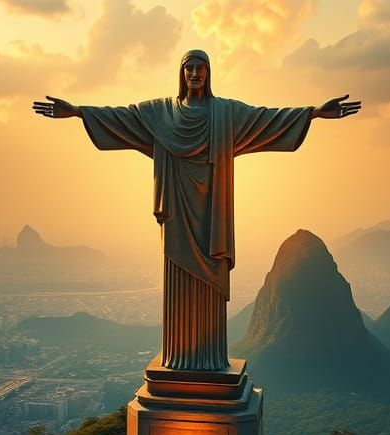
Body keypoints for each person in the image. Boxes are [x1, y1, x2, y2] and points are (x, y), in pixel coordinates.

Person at [33, 49, 360, 371]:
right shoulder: (161, 113)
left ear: (208, 73)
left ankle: (208, 360)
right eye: (189, 69)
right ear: (181, 74)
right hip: (177, 210)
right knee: (179, 277)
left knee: (209, 279)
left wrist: (314, 112)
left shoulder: (226, 113)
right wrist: (77, 111)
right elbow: (122, 116)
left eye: (200, 68)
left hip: (212, 214)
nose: (194, 74)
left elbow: (266, 118)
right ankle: (179, 358)